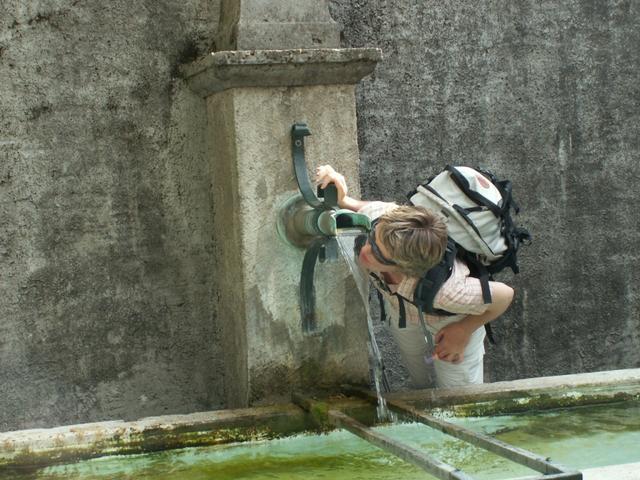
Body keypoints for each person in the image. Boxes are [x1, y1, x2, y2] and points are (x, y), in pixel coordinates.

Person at [315, 165, 515, 389]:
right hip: (402, 312)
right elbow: (364, 208)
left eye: (378, 254)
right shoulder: (381, 221)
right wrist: (343, 198)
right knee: (420, 385)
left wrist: (463, 330)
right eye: (372, 239)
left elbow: (505, 295)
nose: (365, 250)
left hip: (451, 320)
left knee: (459, 397)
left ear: (407, 269)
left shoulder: (449, 292)